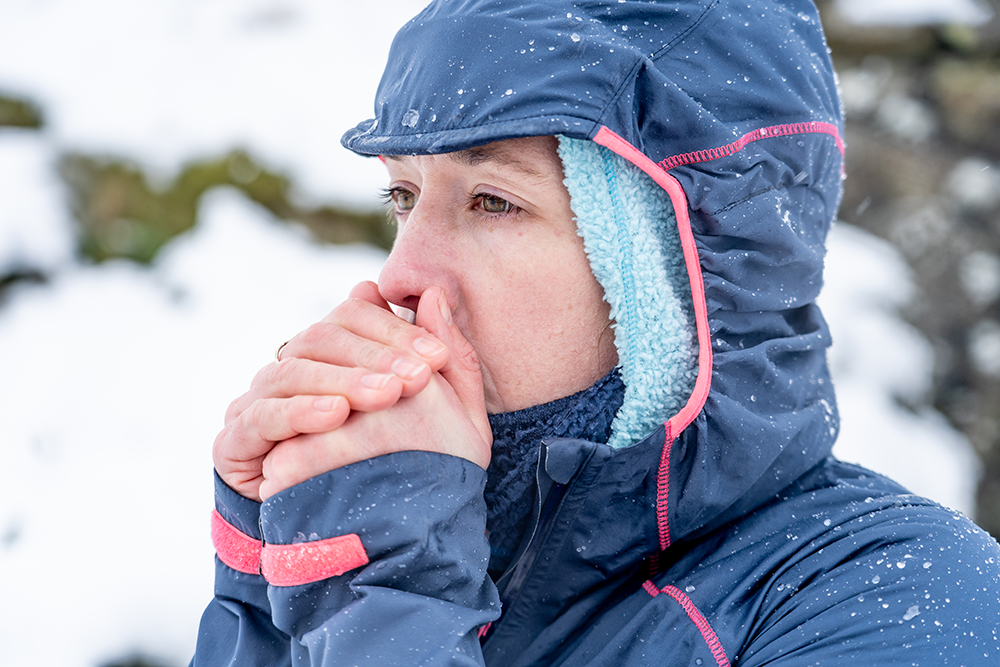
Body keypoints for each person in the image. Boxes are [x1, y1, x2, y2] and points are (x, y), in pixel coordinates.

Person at [192, 0, 1000, 665]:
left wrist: (389, 590)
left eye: (493, 201)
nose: (403, 274)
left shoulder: (903, 599)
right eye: (402, 197)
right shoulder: (426, 527)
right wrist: (270, 584)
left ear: (673, 279)